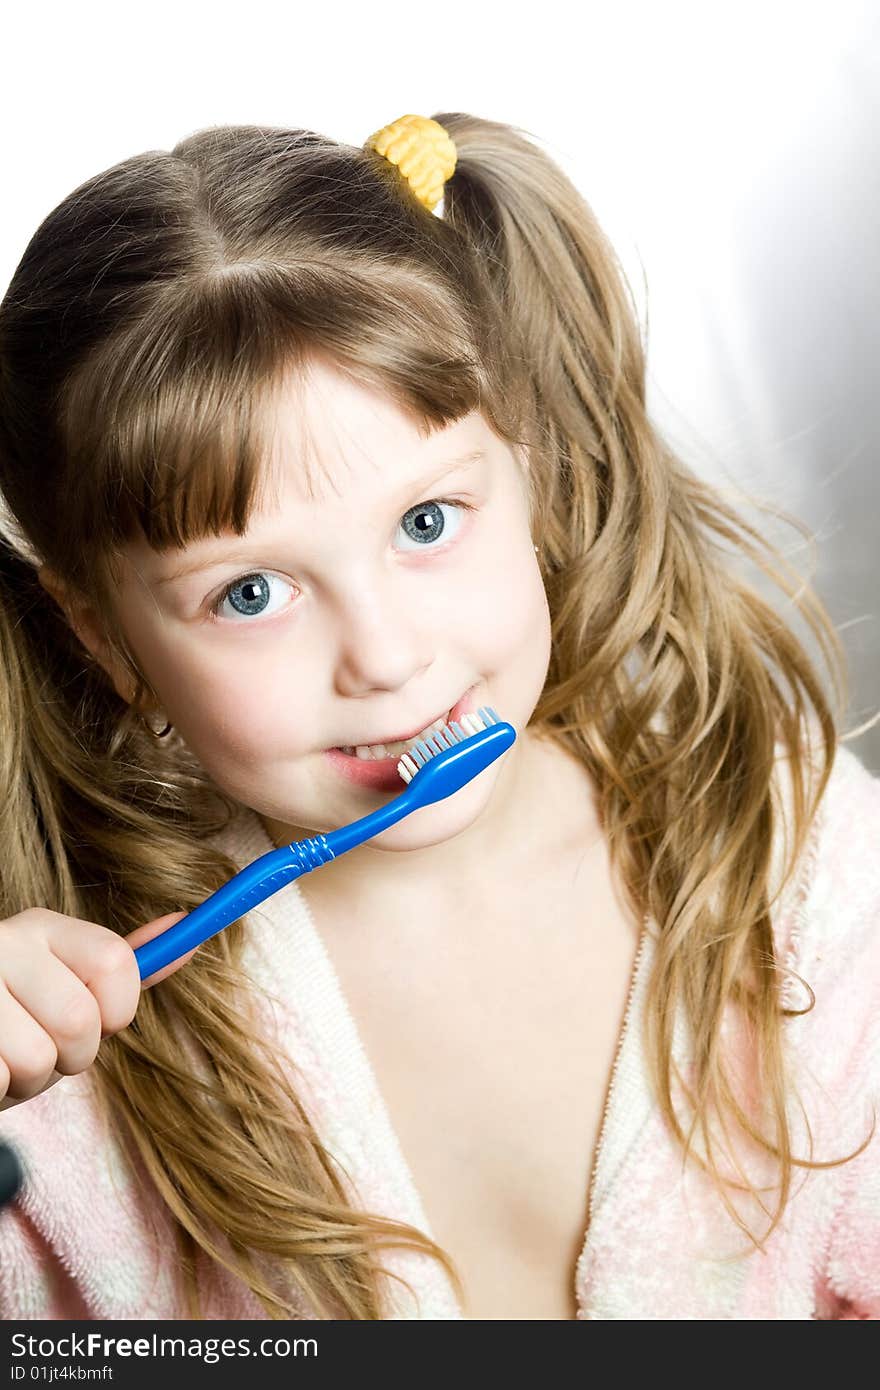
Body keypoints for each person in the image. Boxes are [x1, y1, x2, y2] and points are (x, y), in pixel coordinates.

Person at [0, 112, 877, 1322]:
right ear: (102, 633)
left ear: (531, 472)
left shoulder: (790, 853)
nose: (387, 655)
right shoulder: (62, 1041)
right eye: (250, 593)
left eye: (425, 523)